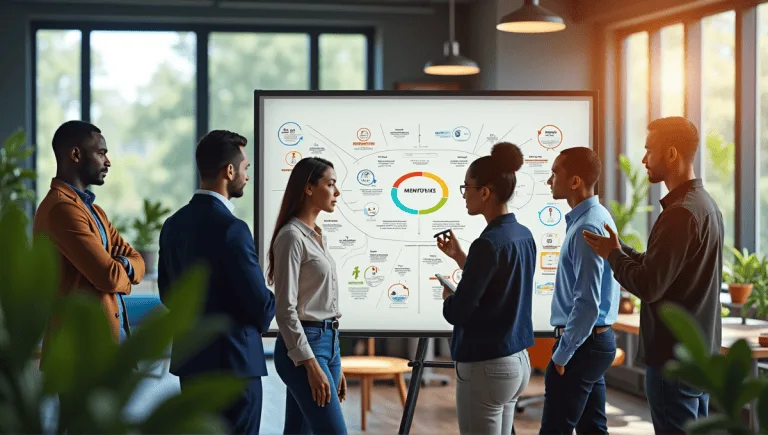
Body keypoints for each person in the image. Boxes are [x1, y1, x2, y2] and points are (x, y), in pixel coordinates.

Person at [583, 116, 723, 434]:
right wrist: (619, 250)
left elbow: (648, 285)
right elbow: (663, 269)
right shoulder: (705, 206)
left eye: (649, 151)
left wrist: (613, 256)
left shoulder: (679, 214)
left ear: (671, 154)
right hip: (698, 357)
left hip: (672, 361)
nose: (644, 160)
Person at [157, 130, 276, 435]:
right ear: (230, 171)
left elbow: (170, 295)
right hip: (235, 368)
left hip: (192, 365)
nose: (247, 176)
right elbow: (261, 309)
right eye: (245, 168)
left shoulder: (172, 225)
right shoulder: (233, 229)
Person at [436, 142, 535, 434]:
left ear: (485, 192)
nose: (464, 193)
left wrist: (448, 297)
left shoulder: (487, 243)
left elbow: (459, 312)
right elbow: (498, 286)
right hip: (517, 361)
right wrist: (459, 257)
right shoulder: (523, 235)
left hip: (486, 365)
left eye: (467, 186)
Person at [34, 120, 145, 355]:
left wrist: (123, 263)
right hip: (80, 354)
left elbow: (137, 259)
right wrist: (124, 269)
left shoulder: (95, 212)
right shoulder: (61, 209)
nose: (108, 162)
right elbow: (109, 278)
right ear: (76, 154)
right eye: (101, 153)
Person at [539, 147, 620, 435]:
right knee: (593, 430)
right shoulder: (596, 216)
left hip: (582, 346)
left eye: (554, 173)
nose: (549, 181)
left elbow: (587, 303)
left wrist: (562, 355)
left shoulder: (588, 226)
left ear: (574, 181)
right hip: (592, 343)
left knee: (554, 430)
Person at [269, 157, 347, 434]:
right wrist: (312, 364)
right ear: (309, 188)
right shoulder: (291, 237)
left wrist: (334, 358)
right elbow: (285, 309)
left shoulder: (317, 235)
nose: (336, 192)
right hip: (304, 348)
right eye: (330, 184)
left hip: (329, 342)